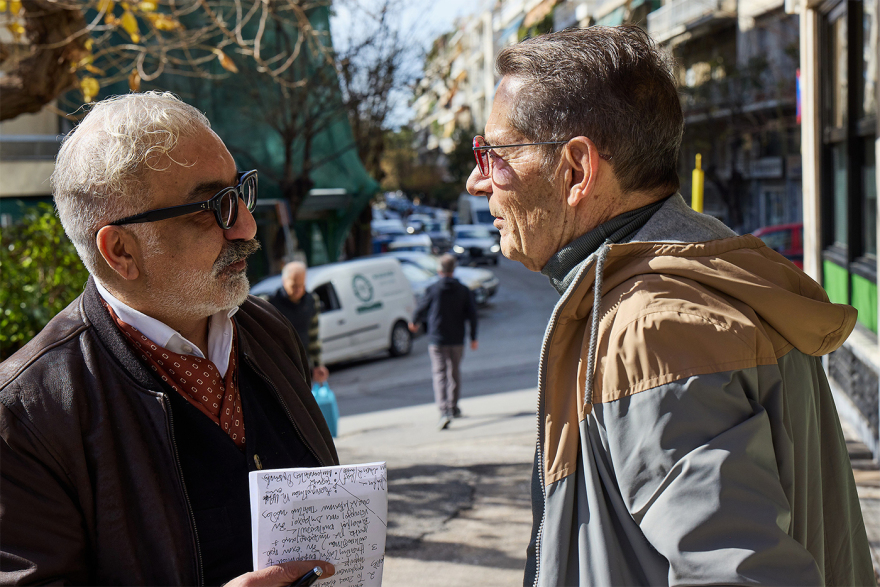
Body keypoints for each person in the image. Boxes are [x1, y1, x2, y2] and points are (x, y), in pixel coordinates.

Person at [466, 26, 874, 586]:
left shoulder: (654, 326)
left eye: (492, 153)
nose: (476, 181)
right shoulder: (703, 276)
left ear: (576, 169)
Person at [0, 92, 337, 586]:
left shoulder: (267, 330)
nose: (246, 224)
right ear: (120, 250)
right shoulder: (26, 414)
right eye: (212, 207)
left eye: (241, 191)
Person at [409, 254, 478, 430]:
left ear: (439, 270)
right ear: (453, 270)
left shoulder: (433, 289)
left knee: (440, 374)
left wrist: (414, 322)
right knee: (454, 373)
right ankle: (453, 407)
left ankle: (444, 411)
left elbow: (422, 307)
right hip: (457, 339)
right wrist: (473, 338)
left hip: (437, 339)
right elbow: (472, 315)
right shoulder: (463, 290)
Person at [267, 262, 329, 385]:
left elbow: (313, 335)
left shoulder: (311, 301)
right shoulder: (270, 303)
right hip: (279, 366)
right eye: (294, 286)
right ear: (284, 281)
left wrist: (317, 364)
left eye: (301, 285)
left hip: (303, 363)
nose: (298, 290)